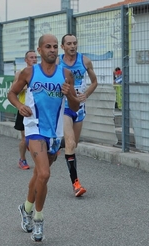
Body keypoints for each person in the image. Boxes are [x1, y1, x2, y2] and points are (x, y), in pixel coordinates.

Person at [8, 34, 79, 242]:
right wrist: (20, 106)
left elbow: (74, 107)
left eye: (55, 47)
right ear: (39, 51)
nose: (52, 50)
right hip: (34, 128)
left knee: (40, 175)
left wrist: (70, 95)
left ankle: (26, 208)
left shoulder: (66, 74)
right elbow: (12, 94)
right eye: (48, 46)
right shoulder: (29, 72)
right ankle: (38, 220)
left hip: (54, 133)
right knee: (45, 174)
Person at [57, 34, 98, 197]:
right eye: (69, 44)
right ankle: (76, 184)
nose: (72, 46)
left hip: (79, 107)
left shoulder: (85, 61)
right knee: (70, 142)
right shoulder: (57, 62)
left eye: (75, 43)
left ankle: (58, 146)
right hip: (64, 106)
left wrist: (86, 94)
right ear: (63, 47)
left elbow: (95, 82)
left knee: (74, 145)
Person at [13, 50, 38, 170]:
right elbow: (13, 90)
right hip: (24, 108)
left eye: (35, 57)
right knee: (25, 138)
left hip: (37, 109)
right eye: (31, 57)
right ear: (26, 60)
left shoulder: (40, 72)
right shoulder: (21, 73)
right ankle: (22, 159)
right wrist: (23, 86)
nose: (34, 59)